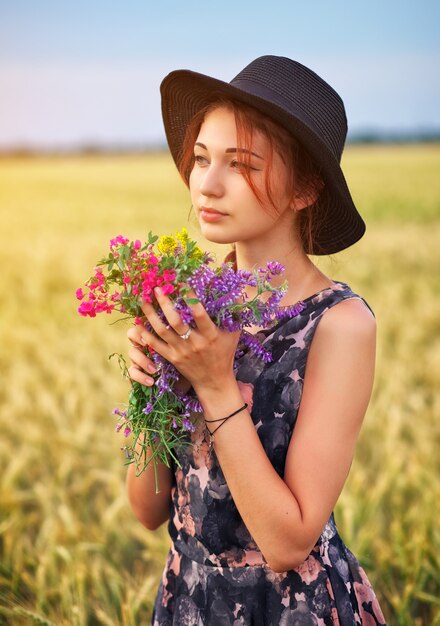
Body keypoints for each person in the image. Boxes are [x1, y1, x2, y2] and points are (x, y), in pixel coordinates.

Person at [126, 55, 387, 625]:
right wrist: (148, 389)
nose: (207, 185)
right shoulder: (190, 305)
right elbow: (147, 509)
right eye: (200, 159)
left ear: (305, 189)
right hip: (186, 600)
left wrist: (215, 385)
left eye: (242, 166)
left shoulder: (340, 325)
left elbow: (288, 544)